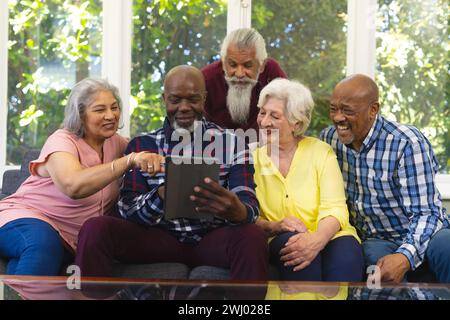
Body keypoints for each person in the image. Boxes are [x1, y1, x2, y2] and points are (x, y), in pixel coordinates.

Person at [75, 65, 268, 285]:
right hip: (159, 239)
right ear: (164, 98)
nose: (184, 107)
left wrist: (236, 209)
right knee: (95, 228)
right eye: (175, 100)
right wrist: (161, 195)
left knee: (253, 236)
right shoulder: (142, 146)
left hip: (212, 238)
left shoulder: (233, 143)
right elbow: (127, 209)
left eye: (193, 99)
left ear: (204, 99)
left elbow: (249, 206)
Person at [0, 78, 157, 276]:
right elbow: (73, 186)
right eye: (100, 110)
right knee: (42, 245)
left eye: (114, 107)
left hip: (66, 240)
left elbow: (151, 150)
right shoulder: (62, 141)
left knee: (35, 259)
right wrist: (127, 162)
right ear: (80, 115)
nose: (110, 115)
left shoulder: (116, 143)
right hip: (25, 217)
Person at [320, 74, 450, 283]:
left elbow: (427, 214)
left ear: (373, 110)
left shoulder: (406, 143)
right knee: (375, 261)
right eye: (333, 108)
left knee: (447, 245)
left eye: (347, 111)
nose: (337, 117)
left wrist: (405, 255)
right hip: (376, 240)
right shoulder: (328, 140)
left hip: (426, 233)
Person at [253, 78, 364, 282]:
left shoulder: (320, 151)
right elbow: (247, 215)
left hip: (330, 234)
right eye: (262, 112)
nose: (264, 121)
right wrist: (275, 225)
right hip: (280, 237)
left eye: (274, 116)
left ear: (296, 122)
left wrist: (316, 240)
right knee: (294, 249)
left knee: (347, 256)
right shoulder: (251, 159)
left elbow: (336, 209)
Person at [202, 28, 287, 130]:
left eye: (247, 65)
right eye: (232, 65)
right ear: (223, 63)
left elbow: (290, 110)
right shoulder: (206, 79)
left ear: (262, 65)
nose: (239, 74)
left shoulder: (271, 73)